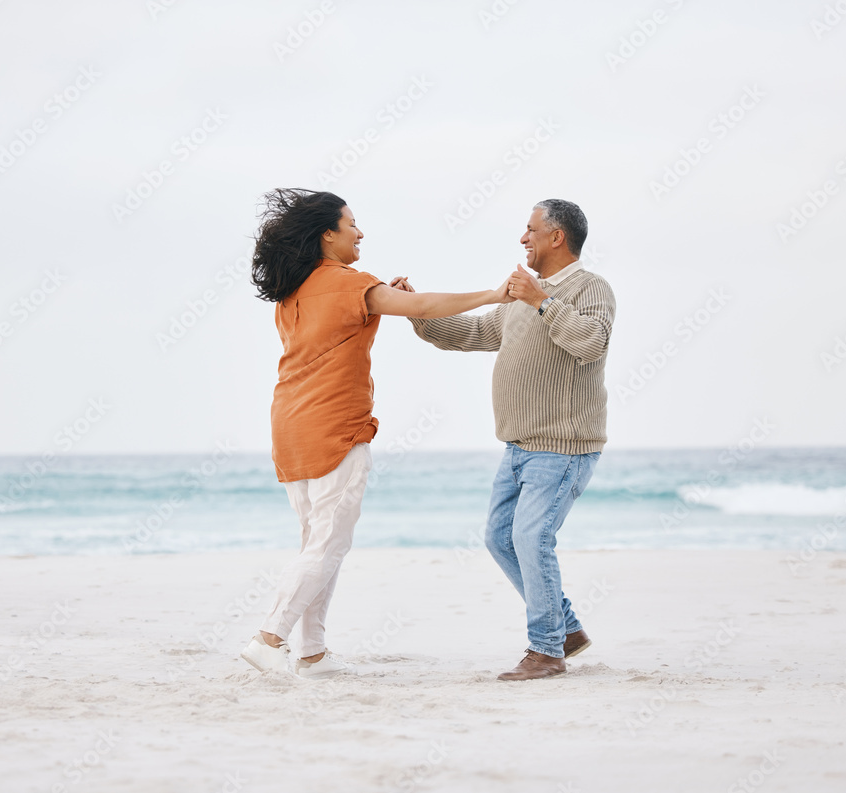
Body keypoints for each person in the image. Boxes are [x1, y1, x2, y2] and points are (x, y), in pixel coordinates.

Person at [241, 188, 512, 679]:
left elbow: (377, 311)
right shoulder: (349, 284)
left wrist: (389, 296)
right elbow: (425, 307)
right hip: (334, 428)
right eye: (351, 224)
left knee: (316, 546)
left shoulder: (293, 292)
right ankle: (269, 639)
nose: (360, 232)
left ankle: (313, 654)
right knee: (327, 547)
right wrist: (495, 295)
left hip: (290, 427)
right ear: (328, 233)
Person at [399, 199, 615, 681]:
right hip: (518, 446)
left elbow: (591, 343)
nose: (523, 238)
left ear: (556, 237)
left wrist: (542, 300)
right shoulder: (521, 298)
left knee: (530, 536)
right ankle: (568, 629)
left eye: (530, 229)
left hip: (563, 447)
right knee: (500, 538)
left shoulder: (591, 288)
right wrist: (416, 311)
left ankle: (546, 650)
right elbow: (472, 332)